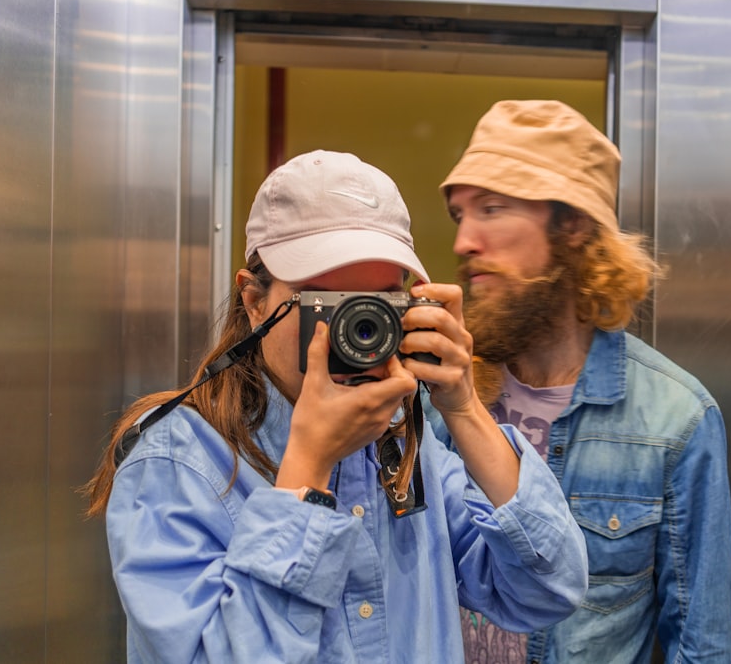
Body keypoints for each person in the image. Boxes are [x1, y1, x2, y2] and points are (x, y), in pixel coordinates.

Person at [82, 149, 588, 663]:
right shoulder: (178, 461)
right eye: (324, 300)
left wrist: (463, 408)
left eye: (381, 302)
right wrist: (308, 468)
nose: (357, 329)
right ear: (254, 299)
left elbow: (548, 590)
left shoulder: (404, 440)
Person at [425, 100, 731, 663]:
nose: (464, 242)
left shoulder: (674, 419)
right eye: (460, 215)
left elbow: (703, 643)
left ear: (572, 225)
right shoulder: (435, 397)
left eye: (493, 208)